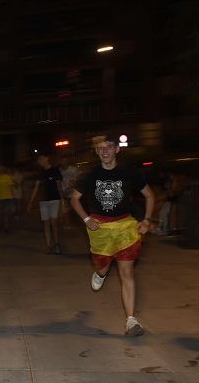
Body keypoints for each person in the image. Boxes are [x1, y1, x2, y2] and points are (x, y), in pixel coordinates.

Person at [69, 132, 154, 337]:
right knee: (103, 267)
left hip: (125, 226)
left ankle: (131, 320)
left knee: (127, 273)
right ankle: (100, 273)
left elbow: (150, 195)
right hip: (100, 228)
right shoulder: (90, 175)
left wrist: (147, 220)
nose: (104, 150)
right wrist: (86, 219)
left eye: (109, 146)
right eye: (100, 147)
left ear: (117, 149)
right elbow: (74, 199)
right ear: (96, 152)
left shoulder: (130, 172)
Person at [27, 152, 65, 254]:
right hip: (43, 201)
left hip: (54, 199)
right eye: (38, 159)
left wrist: (63, 200)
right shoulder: (40, 173)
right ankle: (49, 245)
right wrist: (31, 202)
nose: (39, 161)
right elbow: (36, 187)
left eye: (41, 158)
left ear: (47, 158)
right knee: (46, 223)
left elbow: (59, 186)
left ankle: (56, 243)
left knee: (54, 223)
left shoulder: (55, 170)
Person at [0, 165, 16, 232]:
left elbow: (11, 187)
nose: (1, 169)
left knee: (7, 213)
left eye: (2, 168)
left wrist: (13, 197)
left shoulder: (8, 177)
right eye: (0, 168)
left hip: (8, 197)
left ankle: (6, 226)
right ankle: (0, 225)